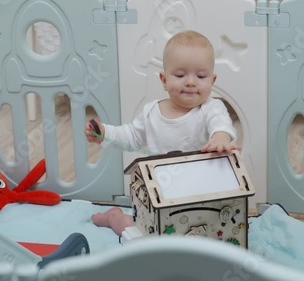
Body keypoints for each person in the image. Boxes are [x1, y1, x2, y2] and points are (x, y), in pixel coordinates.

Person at [85, 30, 240, 236]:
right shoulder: (151, 112)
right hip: (160, 191)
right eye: (180, 75)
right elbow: (132, 136)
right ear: (164, 80)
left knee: (204, 230)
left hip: (200, 193)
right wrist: (105, 133)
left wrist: (220, 137)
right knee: (146, 234)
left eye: (201, 76)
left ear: (212, 80)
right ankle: (115, 218)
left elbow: (220, 124)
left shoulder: (211, 108)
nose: (191, 82)